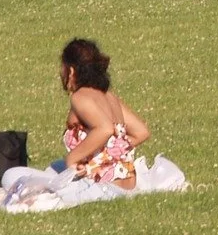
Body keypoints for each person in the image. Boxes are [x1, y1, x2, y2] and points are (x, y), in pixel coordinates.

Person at [59, 39, 151, 186]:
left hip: (104, 184)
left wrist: (72, 159)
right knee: (55, 166)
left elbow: (105, 129)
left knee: (16, 176)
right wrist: (111, 153)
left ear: (71, 71)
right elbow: (141, 132)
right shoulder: (108, 96)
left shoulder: (80, 97)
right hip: (129, 182)